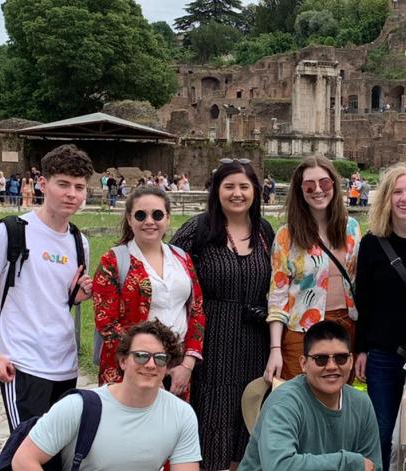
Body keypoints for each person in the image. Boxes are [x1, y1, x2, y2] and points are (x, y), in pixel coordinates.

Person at [0, 144, 95, 430]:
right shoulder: (12, 231)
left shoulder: (79, 242)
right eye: (63, 184)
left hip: (65, 362)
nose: (72, 194)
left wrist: (79, 296)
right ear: (43, 184)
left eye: (79, 187)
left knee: (55, 453)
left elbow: (59, 299)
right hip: (22, 361)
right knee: (25, 451)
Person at [171, 160, 275, 471]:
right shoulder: (197, 230)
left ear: (255, 191)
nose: (237, 193)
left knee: (249, 416)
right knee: (213, 417)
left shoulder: (264, 233)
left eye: (244, 186)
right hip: (211, 342)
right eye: (229, 186)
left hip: (254, 341)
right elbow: (169, 281)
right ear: (216, 190)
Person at [11, 320, 202, 470]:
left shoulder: (181, 415)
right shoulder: (77, 407)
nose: (151, 365)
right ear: (123, 361)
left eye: (160, 358)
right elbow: (23, 460)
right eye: (141, 356)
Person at [353, 164, 406, 471]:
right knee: (382, 431)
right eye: (397, 192)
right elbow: (364, 301)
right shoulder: (372, 242)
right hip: (384, 352)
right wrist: (361, 348)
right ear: (386, 198)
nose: (404, 198)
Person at [92, 187, 206, 396]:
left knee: (170, 426)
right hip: (131, 370)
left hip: (177, 370)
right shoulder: (113, 261)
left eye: (157, 214)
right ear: (129, 219)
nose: (149, 221)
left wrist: (188, 363)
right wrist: (147, 364)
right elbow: (106, 323)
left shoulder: (182, 258)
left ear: (168, 218)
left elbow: (196, 310)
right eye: (141, 215)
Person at [265, 156, 361, 381]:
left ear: (334, 185)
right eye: (309, 185)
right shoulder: (286, 235)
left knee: (337, 401)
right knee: (298, 403)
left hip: (344, 328)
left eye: (324, 183)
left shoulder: (352, 228)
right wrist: (275, 349)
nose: (318, 190)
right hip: (302, 331)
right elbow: (277, 297)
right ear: (300, 190)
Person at [239, 321, 381, 471]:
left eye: (341, 358)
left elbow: (373, 466)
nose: (332, 366)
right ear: (303, 363)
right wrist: (348, 462)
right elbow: (279, 466)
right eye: (321, 359)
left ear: (351, 361)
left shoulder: (361, 404)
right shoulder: (284, 402)